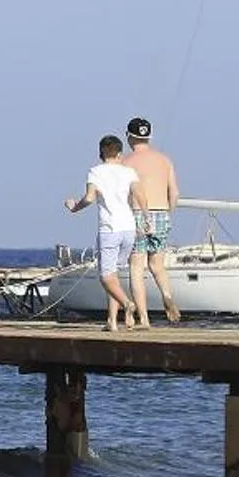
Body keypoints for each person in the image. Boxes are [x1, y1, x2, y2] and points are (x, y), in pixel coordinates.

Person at [65, 134, 143, 331]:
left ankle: (127, 304)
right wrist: (147, 217)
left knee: (106, 278)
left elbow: (90, 198)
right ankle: (112, 321)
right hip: (129, 228)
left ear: (100, 153)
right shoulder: (129, 172)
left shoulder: (96, 172)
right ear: (120, 153)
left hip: (110, 229)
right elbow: (139, 195)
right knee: (114, 276)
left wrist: (74, 206)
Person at [123, 117, 182, 324]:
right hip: (162, 212)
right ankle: (167, 295)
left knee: (136, 267)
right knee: (157, 265)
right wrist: (168, 213)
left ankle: (144, 318)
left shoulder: (126, 162)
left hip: (138, 213)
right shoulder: (164, 160)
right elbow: (174, 192)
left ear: (129, 137)